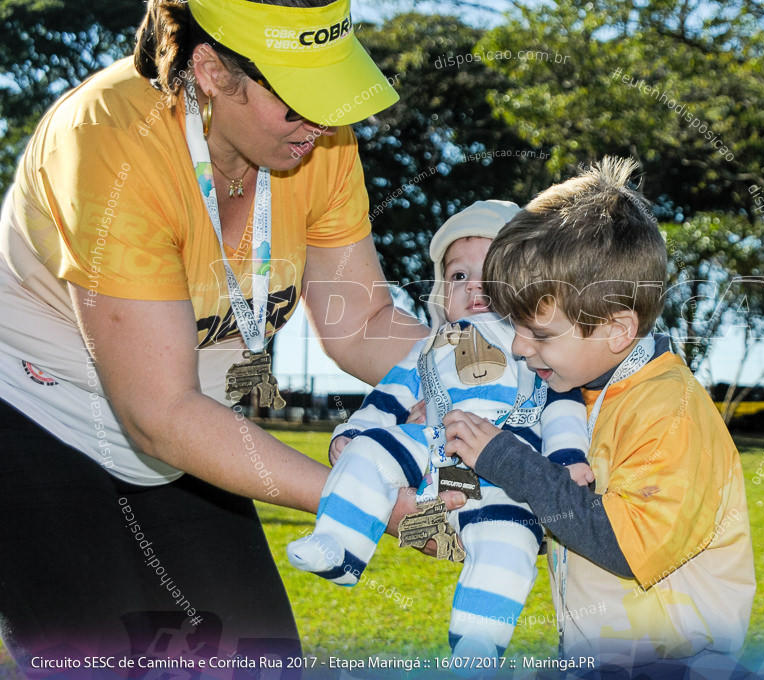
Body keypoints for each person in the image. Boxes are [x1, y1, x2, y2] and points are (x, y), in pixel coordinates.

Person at [0, 0, 443, 672]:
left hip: (192, 429)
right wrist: (370, 501)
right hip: (37, 419)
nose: (321, 123)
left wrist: (498, 374)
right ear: (209, 70)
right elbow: (158, 414)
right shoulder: (109, 140)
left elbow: (364, 324)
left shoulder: (321, 144)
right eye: (298, 99)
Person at [442, 158, 757, 675]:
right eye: (515, 328)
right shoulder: (579, 393)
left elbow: (621, 545)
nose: (520, 349)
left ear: (616, 329)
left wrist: (505, 459)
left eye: (540, 334)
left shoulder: (667, 410)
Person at [287, 200, 592, 660]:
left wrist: (568, 458)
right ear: (439, 291)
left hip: (510, 470)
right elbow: (389, 396)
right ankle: (339, 544)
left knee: (508, 540)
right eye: (458, 276)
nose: (475, 286)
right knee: (369, 452)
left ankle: (479, 641)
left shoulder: (534, 344)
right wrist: (356, 431)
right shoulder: (428, 347)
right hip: (434, 451)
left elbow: (563, 405)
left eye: (493, 273)